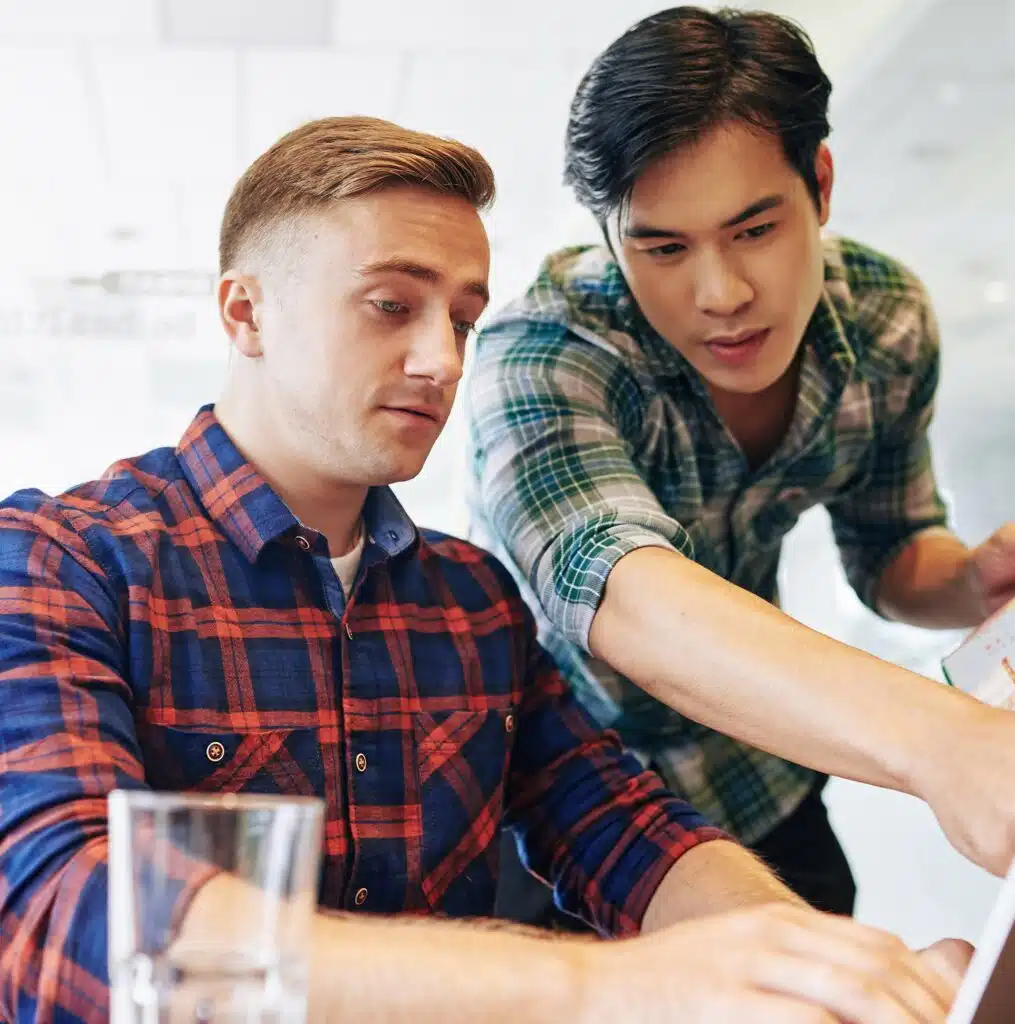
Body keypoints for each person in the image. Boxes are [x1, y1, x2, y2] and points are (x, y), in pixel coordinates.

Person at [0, 116, 972, 1023]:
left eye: (463, 320)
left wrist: (824, 964)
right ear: (245, 312)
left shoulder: (470, 602)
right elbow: (68, 910)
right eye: (392, 305)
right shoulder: (61, 560)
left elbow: (621, 828)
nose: (441, 359)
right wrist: (605, 981)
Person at [465, 4, 1015, 926]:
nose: (720, 295)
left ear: (821, 186)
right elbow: (623, 592)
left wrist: (971, 581)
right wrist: (941, 740)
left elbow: (889, 555)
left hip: (758, 774)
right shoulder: (545, 348)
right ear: (608, 237)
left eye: (754, 230)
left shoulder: (883, 321)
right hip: (559, 800)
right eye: (663, 248)